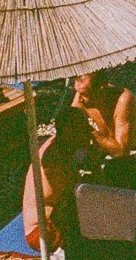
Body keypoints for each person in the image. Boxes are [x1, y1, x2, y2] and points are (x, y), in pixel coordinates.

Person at [21, 106, 94, 252]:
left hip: (55, 214)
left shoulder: (62, 145)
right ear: (70, 132)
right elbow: (78, 194)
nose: (88, 133)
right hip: (42, 232)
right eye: (84, 129)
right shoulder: (51, 160)